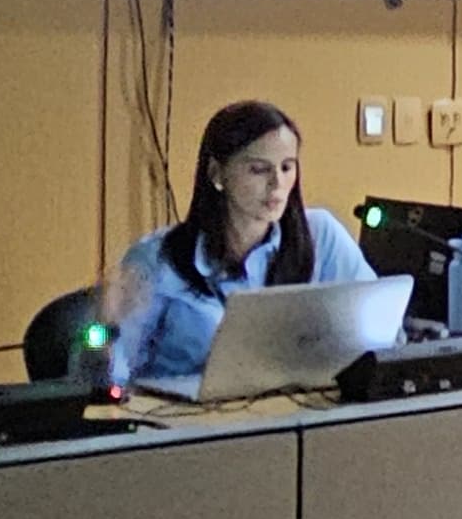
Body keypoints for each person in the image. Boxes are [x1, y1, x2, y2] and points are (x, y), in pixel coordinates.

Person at [98, 100, 382, 392]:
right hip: (184, 425)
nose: (277, 184)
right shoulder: (157, 259)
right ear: (217, 174)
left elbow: (380, 332)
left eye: (287, 167)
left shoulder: (321, 235)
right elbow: (111, 378)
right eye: (259, 170)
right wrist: (105, 334)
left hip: (292, 415)